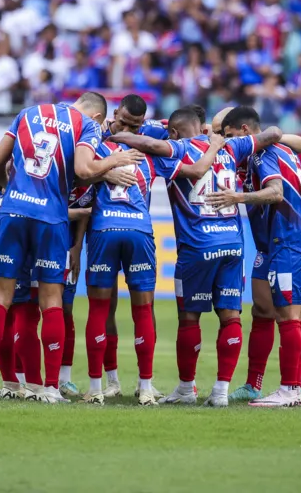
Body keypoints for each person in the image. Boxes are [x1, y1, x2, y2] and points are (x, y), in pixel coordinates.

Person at [0, 93, 143, 403]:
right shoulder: (85, 125)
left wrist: (2, 185)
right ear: (98, 118)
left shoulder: (28, 113)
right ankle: (50, 388)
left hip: (14, 212)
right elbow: (86, 170)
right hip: (51, 218)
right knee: (51, 300)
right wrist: (116, 159)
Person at [110, 106, 281, 407]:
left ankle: (187, 388)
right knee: (231, 317)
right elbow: (272, 134)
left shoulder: (177, 149)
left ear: (175, 132)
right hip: (232, 245)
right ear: (202, 127)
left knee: (189, 318)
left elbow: (149, 144)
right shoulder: (232, 145)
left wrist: (116, 132)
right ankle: (221, 392)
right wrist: (220, 141)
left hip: (197, 246)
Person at [82, 95, 224, 406]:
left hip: (104, 230)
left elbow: (80, 170)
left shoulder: (96, 146)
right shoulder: (152, 154)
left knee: (99, 309)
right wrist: (212, 145)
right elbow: (193, 170)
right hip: (139, 232)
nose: (128, 128)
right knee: (143, 310)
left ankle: (97, 387)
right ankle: (145, 387)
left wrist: (102, 170)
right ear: (116, 113)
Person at [212, 106, 301, 408]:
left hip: (292, 238)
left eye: (229, 134)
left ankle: (297, 387)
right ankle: (254, 384)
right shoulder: (247, 158)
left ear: (246, 132)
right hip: (270, 242)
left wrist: (241, 197)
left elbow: (280, 189)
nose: (225, 140)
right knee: (262, 308)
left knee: (298, 312)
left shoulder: (265, 152)